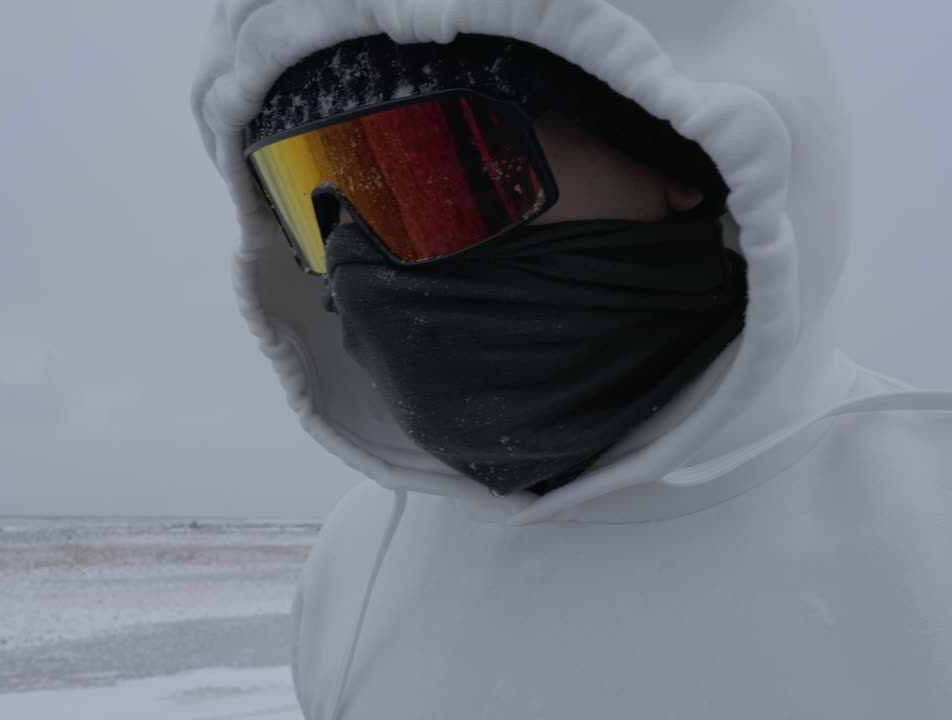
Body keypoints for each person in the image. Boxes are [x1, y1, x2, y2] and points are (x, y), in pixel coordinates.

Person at [192, 2, 952, 719]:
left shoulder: (928, 525)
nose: (362, 261)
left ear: (679, 150)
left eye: (434, 171)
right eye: (311, 205)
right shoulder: (355, 563)